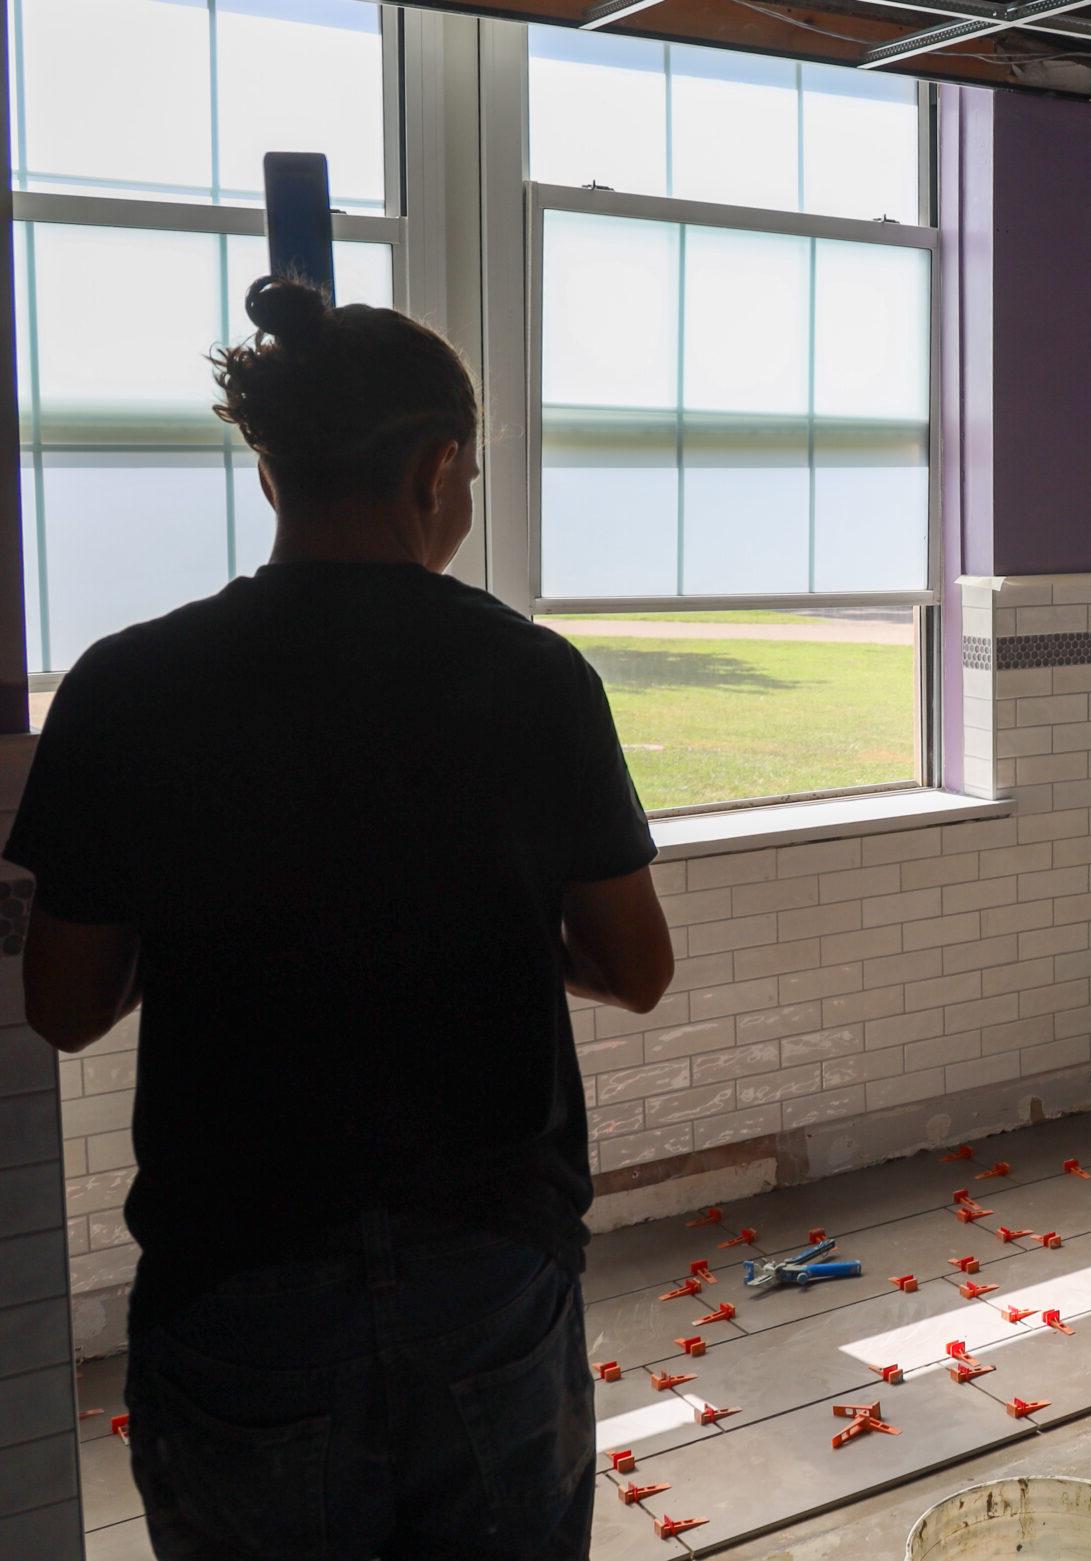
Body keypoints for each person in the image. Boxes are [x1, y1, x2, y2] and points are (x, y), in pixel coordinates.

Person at [8, 276, 674, 1560]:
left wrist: (222, 904)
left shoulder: (128, 684)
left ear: (270, 478)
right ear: (438, 468)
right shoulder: (533, 678)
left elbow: (65, 1004)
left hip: (235, 1274)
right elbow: (634, 967)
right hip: (486, 1262)